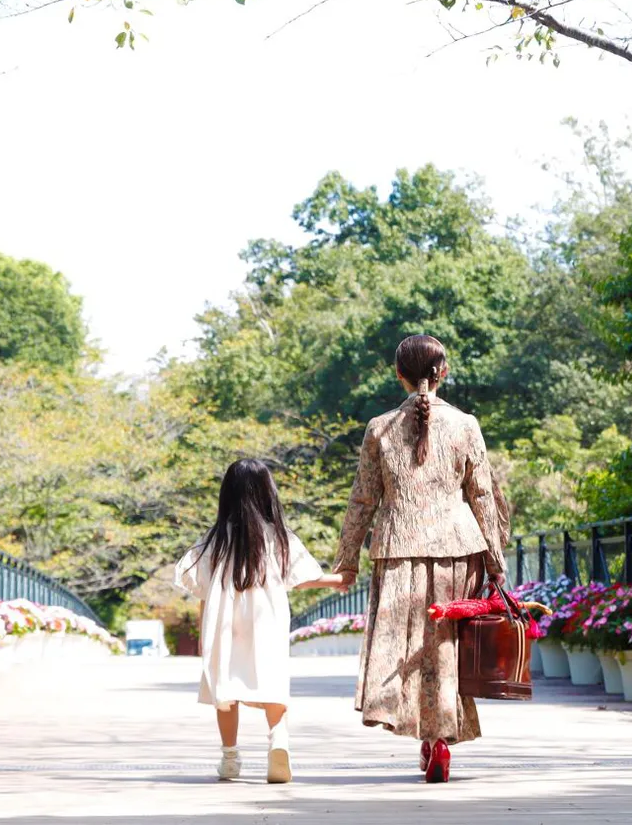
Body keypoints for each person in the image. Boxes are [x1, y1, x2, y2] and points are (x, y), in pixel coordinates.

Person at [331, 334, 509, 784]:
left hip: (396, 551)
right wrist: (496, 560)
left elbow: (362, 500)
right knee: (445, 649)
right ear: (443, 371)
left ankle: (426, 739)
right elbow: (483, 496)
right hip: (457, 549)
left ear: (399, 375)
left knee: (408, 650)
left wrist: (346, 560)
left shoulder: (379, 428)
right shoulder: (466, 424)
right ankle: (441, 741)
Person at [175, 458, 348, 784]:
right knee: (272, 678)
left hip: (224, 622)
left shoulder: (215, 540)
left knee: (225, 688)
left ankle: (229, 758)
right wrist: (337, 580)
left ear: (227, 494)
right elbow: (302, 577)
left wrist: (203, 634)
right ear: (268, 493)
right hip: (266, 619)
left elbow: (199, 586)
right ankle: (278, 739)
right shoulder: (279, 537)